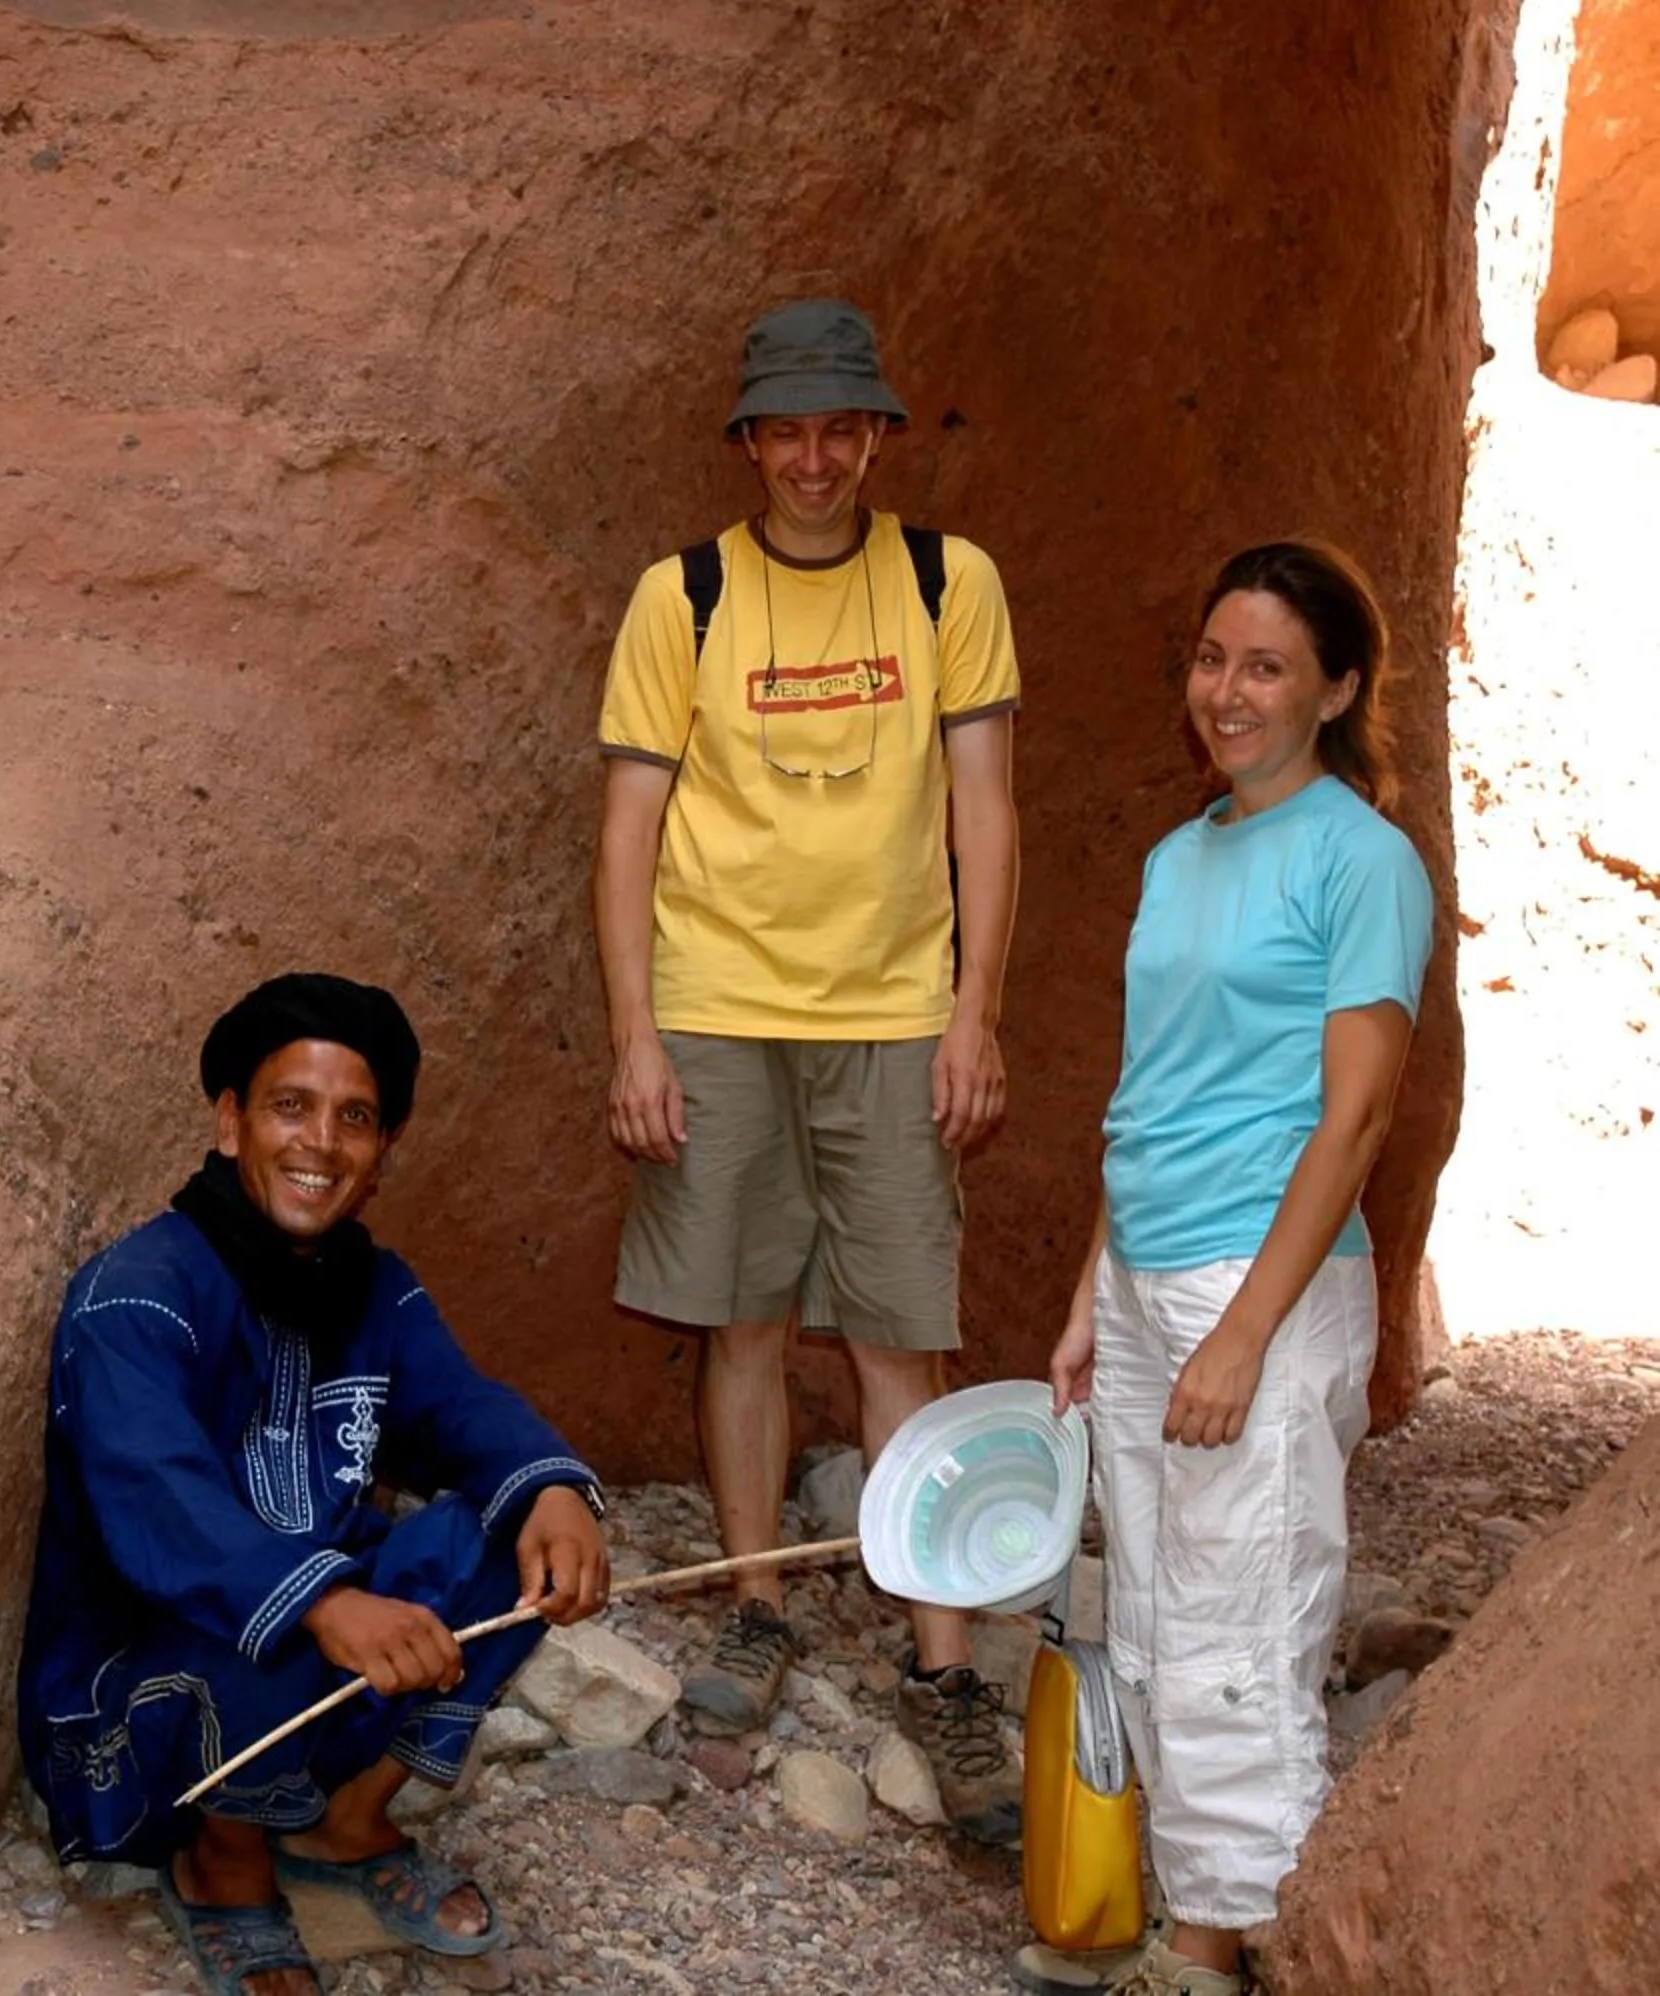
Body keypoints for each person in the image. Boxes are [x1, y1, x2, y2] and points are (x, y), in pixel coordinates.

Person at [591, 297, 1025, 1840]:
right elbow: (631, 827)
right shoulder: (686, 596)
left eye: (846, 428)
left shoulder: (943, 582)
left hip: (894, 1007)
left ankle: (944, 1664)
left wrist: (974, 1013)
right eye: (790, 429)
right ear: (751, 441)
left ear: (879, 437)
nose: (818, 458)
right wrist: (638, 1033)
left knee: (906, 1333)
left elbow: (985, 809)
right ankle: (760, 1600)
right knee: (747, 1318)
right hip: (720, 1001)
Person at [1014, 544, 1433, 1996]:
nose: (1228, 692)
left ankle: (1225, 1946)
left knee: (1242, 1617)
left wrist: (1245, 1333)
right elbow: (1153, 1089)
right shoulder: (1178, 856)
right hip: (1147, 1286)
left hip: (1263, 1286)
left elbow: (1359, 1111)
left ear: (1336, 687)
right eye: (1211, 660)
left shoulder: (1361, 859)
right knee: (1149, 1611)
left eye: (1264, 666)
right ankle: (1181, 1903)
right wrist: (1091, 1294)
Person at [18, 973, 611, 1996]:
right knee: (267, 1617)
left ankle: (344, 1823)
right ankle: (223, 1863)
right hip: (144, 1695)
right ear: (230, 1121)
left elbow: (463, 1409)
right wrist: (327, 1601)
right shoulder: (139, 1294)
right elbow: (157, 1500)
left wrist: (550, 1489)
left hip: (323, 1666)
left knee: (499, 1537)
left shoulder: (374, 1285)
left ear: (380, 1155)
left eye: (356, 1119)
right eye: (291, 1106)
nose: (321, 1143)